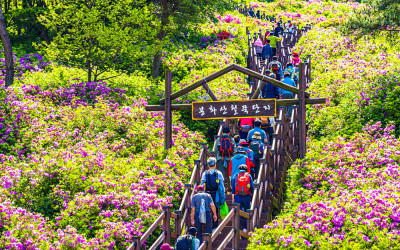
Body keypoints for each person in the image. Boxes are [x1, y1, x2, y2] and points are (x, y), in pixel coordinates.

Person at [201, 157, 225, 231]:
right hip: (216, 193)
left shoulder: (205, 173)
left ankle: (207, 227)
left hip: (207, 193)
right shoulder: (218, 173)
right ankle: (215, 226)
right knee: (215, 209)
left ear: (208, 165)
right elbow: (221, 185)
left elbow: (202, 184)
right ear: (215, 164)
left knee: (207, 209)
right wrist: (222, 195)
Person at [231, 164, 254, 233]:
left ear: (239, 169)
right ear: (246, 169)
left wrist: (233, 198)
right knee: (246, 211)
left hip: (238, 195)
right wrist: (251, 195)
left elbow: (233, 189)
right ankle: (245, 228)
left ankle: (237, 229)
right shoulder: (248, 176)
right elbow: (252, 187)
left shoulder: (235, 176)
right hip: (246, 195)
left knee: (238, 211)